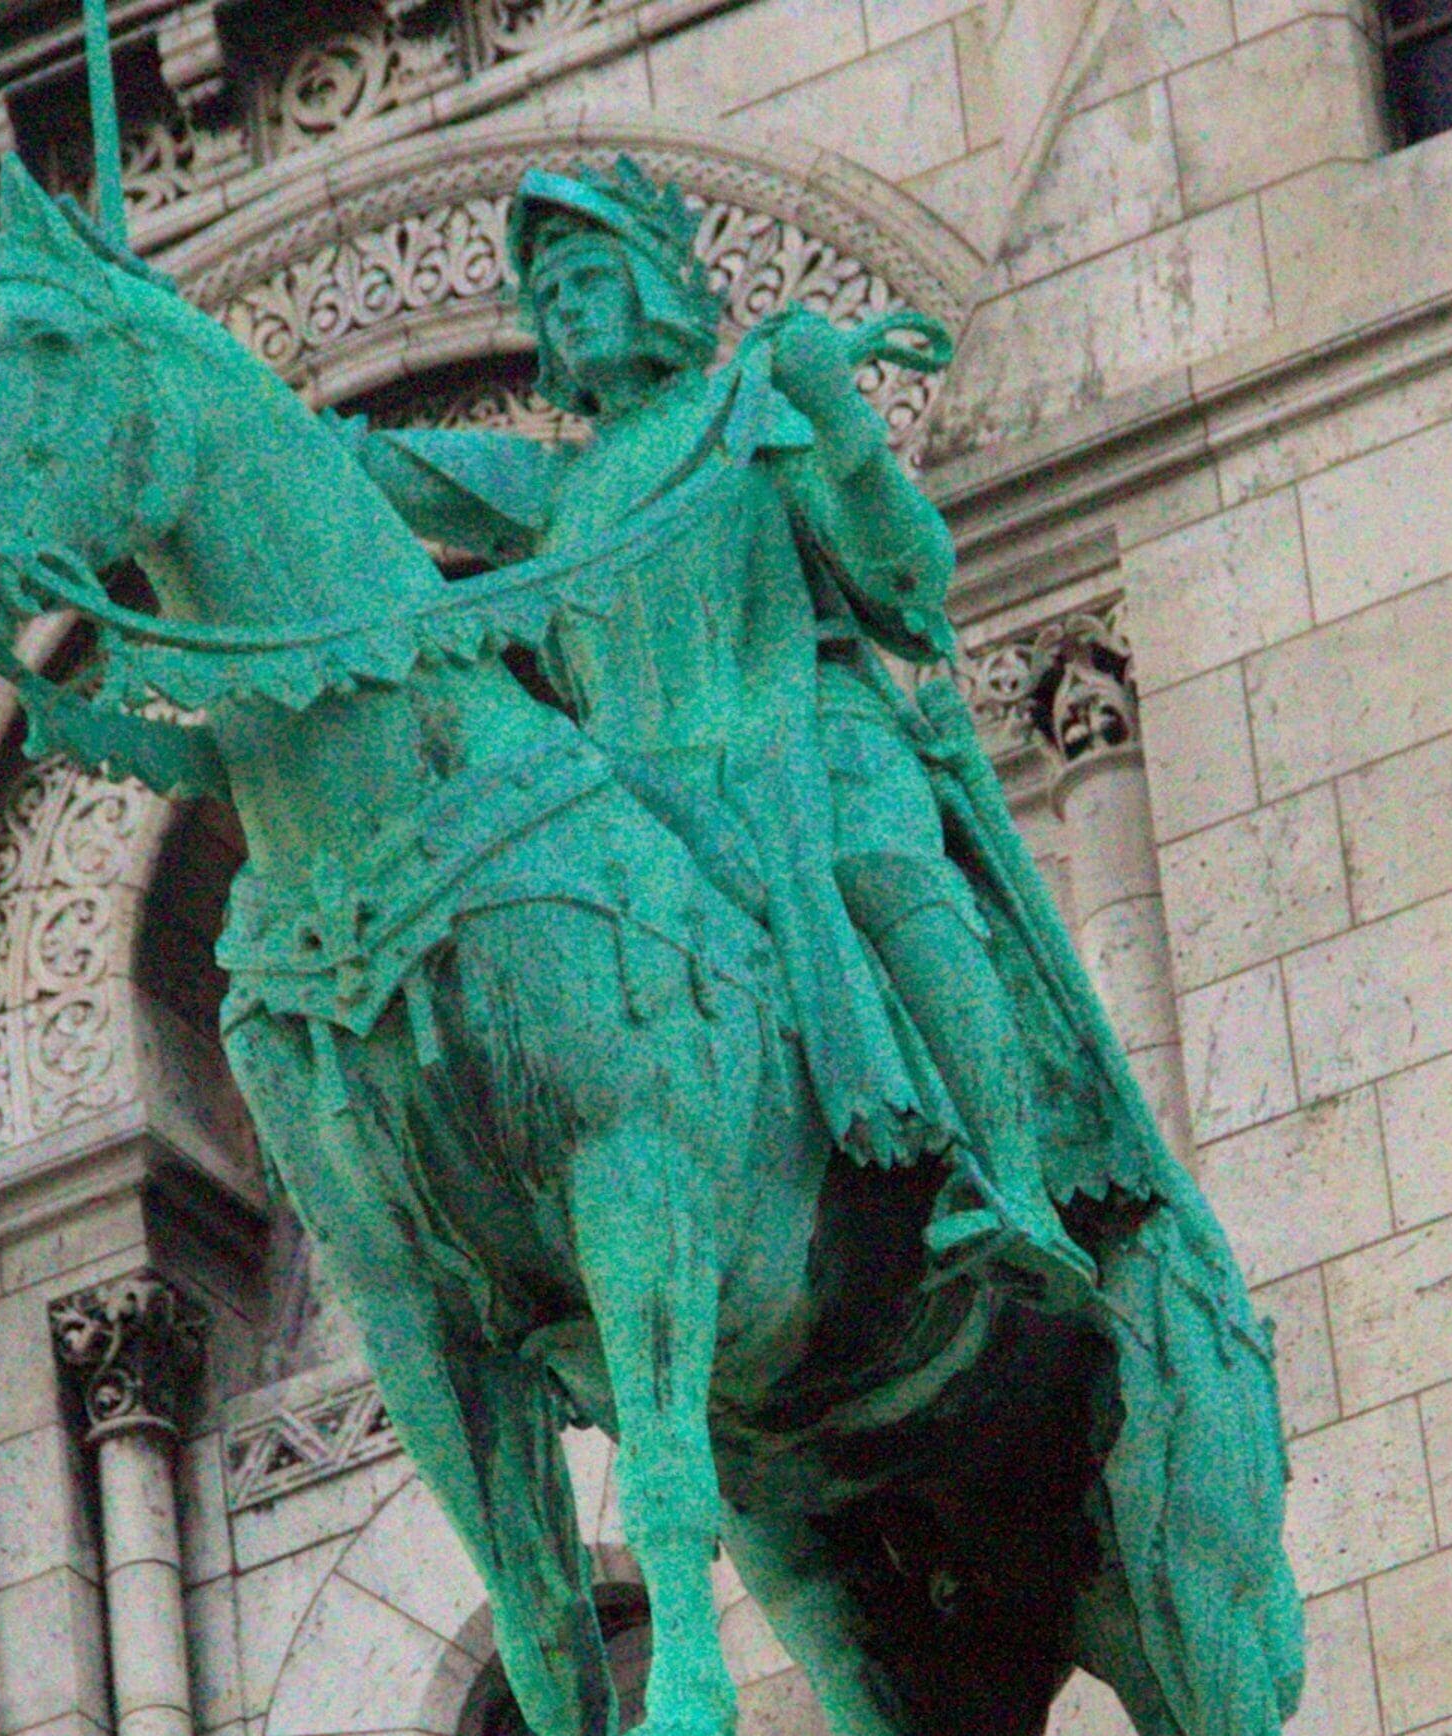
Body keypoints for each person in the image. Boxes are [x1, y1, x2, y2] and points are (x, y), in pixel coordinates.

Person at [344, 160, 1147, 1294]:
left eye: (584, 275)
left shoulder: (756, 417)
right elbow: (358, 472)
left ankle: (1016, 1184)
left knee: (875, 859)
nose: (562, 305)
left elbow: (906, 580)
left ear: (654, 286)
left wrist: (840, 424)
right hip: (645, 792)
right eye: (547, 292)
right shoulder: (549, 492)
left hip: (804, 731)